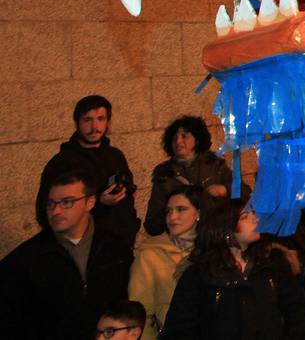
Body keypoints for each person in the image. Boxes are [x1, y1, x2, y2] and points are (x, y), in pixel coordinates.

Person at [0, 169, 134, 339]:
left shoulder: (116, 249)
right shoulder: (24, 261)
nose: (56, 211)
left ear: (90, 202)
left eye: (67, 202)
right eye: (51, 204)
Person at [160, 199, 302, 339]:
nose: (256, 219)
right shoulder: (199, 275)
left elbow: (297, 315)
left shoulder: (271, 264)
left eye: (254, 214)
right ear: (227, 229)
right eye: (245, 217)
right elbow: (179, 329)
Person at [39, 95, 140, 246]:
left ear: (108, 121)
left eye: (101, 119)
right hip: (82, 247)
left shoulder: (115, 156)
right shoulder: (62, 163)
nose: (94, 127)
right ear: (77, 123)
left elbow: (128, 199)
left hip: (120, 245)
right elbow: (44, 211)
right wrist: (99, 203)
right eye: (87, 120)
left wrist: (131, 227)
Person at [130, 185, 205, 339]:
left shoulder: (212, 252)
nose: (172, 216)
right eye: (168, 211)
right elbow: (141, 313)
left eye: (181, 209)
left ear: (198, 213)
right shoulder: (150, 255)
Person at [144, 117, 232, 236]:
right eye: (174, 138)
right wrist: (173, 211)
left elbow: (245, 193)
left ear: (197, 140)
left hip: (215, 233)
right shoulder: (164, 173)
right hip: (182, 238)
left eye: (184, 136)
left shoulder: (214, 165)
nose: (178, 141)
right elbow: (152, 223)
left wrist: (225, 190)